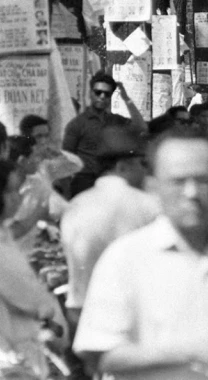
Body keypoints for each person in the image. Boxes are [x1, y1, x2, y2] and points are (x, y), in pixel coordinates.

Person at [72, 128, 208, 379]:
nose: (192, 193)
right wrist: (193, 353)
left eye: (203, 181)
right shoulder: (124, 259)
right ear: (153, 187)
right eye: (178, 181)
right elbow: (103, 354)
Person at [61, 126, 159, 324]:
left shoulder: (75, 205)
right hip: (130, 320)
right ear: (122, 166)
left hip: (81, 317)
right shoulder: (147, 205)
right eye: (142, 164)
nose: (145, 171)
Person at [0, 158, 66, 377]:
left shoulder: (2, 236)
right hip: (8, 351)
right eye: (11, 190)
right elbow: (29, 297)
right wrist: (48, 309)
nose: (18, 197)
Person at [62, 71, 147, 197]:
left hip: (111, 180)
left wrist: (126, 98)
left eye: (107, 94)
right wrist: (66, 192)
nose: (102, 96)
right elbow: (66, 158)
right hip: (85, 182)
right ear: (91, 93)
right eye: (98, 92)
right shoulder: (78, 124)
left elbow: (141, 127)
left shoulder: (115, 120)